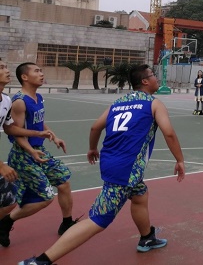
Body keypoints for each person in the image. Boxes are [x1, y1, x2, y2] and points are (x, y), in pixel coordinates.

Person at [18, 64, 186, 265]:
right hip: (126, 169)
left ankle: (147, 237)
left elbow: (95, 127)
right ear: (145, 81)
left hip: (111, 162)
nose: (156, 78)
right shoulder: (153, 103)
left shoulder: (119, 102)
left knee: (140, 195)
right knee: (97, 220)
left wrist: (92, 148)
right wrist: (179, 160)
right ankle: (41, 261)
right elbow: (169, 133)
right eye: (153, 75)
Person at [0, 63, 77, 247]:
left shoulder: (37, 97)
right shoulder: (19, 101)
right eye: (37, 71)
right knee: (44, 197)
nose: (41, 74)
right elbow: (16, 132)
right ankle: (6, 222)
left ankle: (66, 223)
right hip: (23, 154)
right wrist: (31, 150)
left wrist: (53, 136)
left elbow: (39, 122)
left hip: (38, 150)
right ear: (25, 77)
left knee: (64, 182)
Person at [0, 59, 53, 247]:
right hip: (17, 158)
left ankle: (4, 225)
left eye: (6, 66)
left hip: (28, 152)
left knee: (9, 201)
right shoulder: (18, 101)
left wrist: (39, 133)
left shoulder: (6, 100)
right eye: (1, 68)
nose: (7, 70)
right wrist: (1, 166)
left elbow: (10, 128)